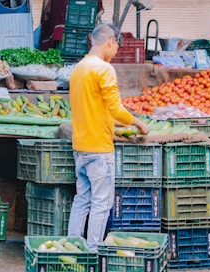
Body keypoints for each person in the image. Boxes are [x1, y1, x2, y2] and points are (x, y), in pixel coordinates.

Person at [66, 23, 149, 251]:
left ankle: (72, 245)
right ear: (110, 41)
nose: (116, 53)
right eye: (116, 48)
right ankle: (93, 251)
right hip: (99, 149)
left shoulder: (79, 68)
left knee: (82, 199)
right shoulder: (103, 69)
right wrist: (138, 122)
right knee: (101, 202)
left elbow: (93, 107)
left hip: (80, 146)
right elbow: (115, 109)